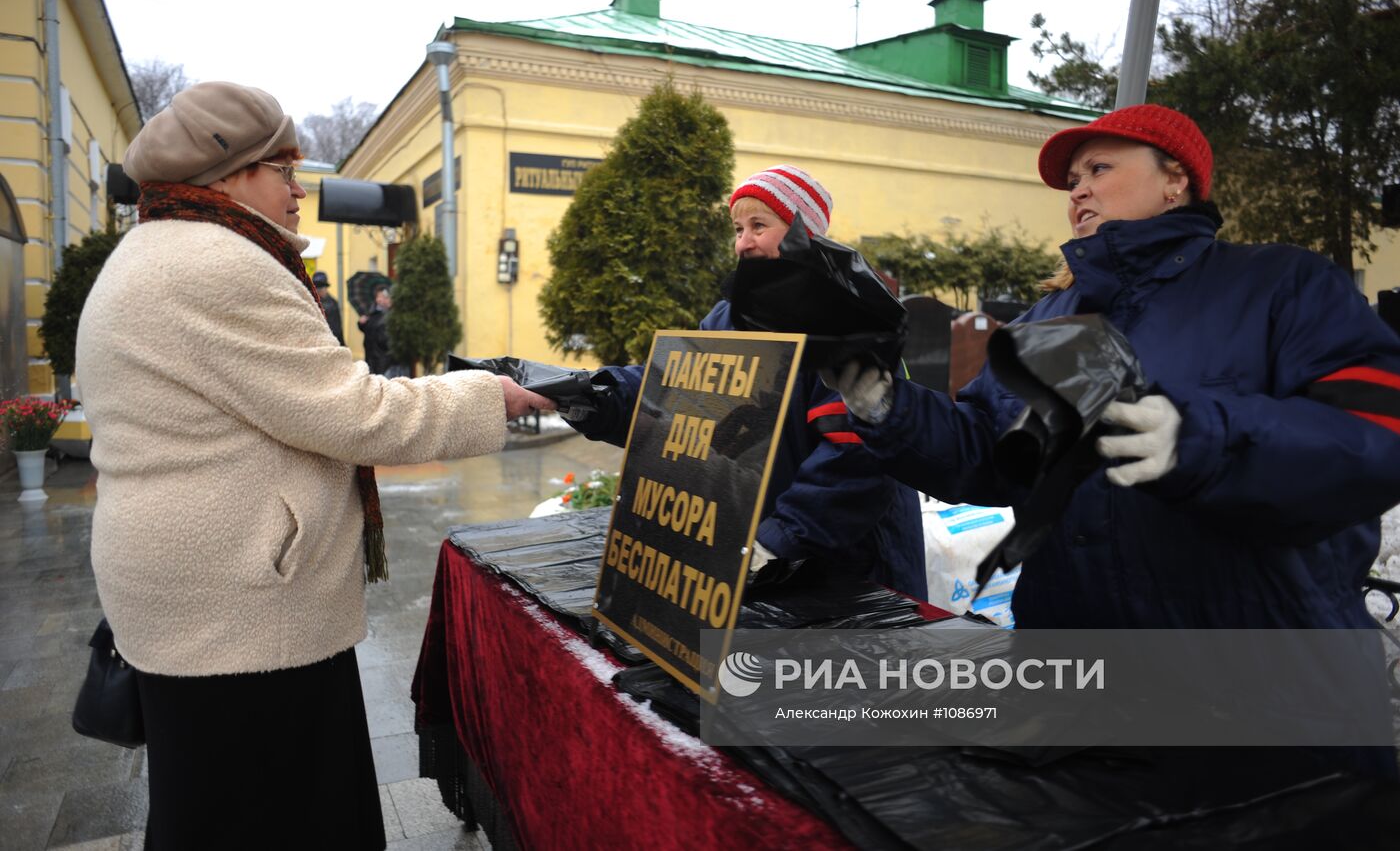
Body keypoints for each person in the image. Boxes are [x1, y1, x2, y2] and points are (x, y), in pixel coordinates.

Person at [75, 81, 554, 850]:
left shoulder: (157, 248)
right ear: (226, 174)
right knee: (277, 812)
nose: (300, 192)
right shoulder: (215, 265)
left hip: (197, 593)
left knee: (209, 804)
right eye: (283, 170)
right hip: (240, 605)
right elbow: (356, 415)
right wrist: (488, 397)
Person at [826, 104, 1400, 632]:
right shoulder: (1044, 321)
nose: (1078, 192)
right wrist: (888, 406)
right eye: (1073, 182)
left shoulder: (1284, 285)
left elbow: (1374, 435)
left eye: (1099, 169)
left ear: (1175, 179)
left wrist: (1203, 441)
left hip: (1260, 681)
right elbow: (988, 451)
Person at [568, 165, 926, 598]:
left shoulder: (849, 323)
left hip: (851, 572)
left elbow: (856, 457)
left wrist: (773, 543)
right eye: (738, 228)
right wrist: (580, 393)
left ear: (804, 231)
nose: (743, 242)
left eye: (760, 225)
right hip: (760, 561)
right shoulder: (727, 318)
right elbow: (671, 388)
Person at [358, 284, 393, 375]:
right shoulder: (372, 312)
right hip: (370, 354)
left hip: (384, 358)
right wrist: (362, 324)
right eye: (378, 296)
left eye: (383, 297)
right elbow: (369, 330)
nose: (380, 299)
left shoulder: (392, 315)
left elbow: (387, 339)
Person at [312, 270, 345, 345]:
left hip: (330, 341)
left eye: (321, 287)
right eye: (317, 288)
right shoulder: (311, 302)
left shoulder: (333, 303)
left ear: (326, 288)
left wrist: (341, 344)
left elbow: (338, 327)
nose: (319, 290)